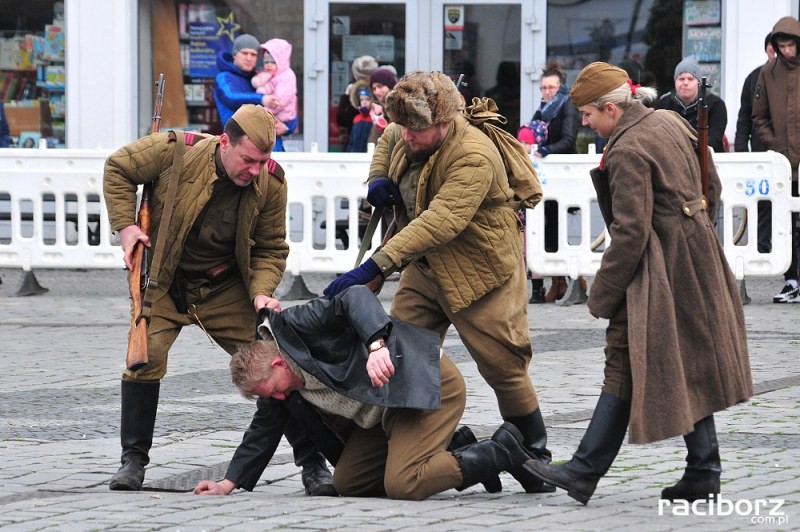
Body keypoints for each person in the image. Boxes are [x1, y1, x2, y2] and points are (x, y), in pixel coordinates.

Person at [523, 62, 752, 505]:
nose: (585, 123)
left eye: (589, 114)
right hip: (694, 255)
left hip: (657, 269)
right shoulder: (667, 119)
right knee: (658, 358)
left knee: (627, 357)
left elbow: (630, 231)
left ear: (612, 108)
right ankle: (698, 470)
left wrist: (602, 294)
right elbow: (712, 184)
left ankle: (588, 471)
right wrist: (695, 225)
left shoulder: (627, 148)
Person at [323, 71, 554, 494]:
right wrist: (378, 178)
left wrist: (375, 266)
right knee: (401, 356)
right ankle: (449, 444)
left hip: (480, 271)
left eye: (418, 130)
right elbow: (389, 138)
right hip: (426, 269)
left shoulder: (473, 153)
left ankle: (534, 452)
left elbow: (441, 220)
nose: (408, 137)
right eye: (406, 127)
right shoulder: (408, 126)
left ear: (445, 123)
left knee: (503, 365)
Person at [102, 104, 335, 496]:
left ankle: (313, 465)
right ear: (225, 142)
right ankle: (133, 460)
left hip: (225, 289)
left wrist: (262, 290)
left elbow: (270, 247)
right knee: (145, 358)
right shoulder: (173, 151)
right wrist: (126, 226)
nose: (255, 170)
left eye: (263, 161)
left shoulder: (271, 184)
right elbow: (118, 168)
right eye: (248, 159)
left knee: (277, 361)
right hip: (164, 281)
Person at [194, 286, 546, 500]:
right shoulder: (281, 389)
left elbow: (354, 296)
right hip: (385, 416)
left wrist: (377, 344)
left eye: (271, 390)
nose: (277, 399)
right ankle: (459, 450)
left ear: (277, 365)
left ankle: (502, 451)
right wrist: (229, 482)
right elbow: (262, 432)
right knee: (348, 483)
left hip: (421, 384)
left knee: (404, 484)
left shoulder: (299, 326)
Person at [521, 61, 580, 304]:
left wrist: (544, 150)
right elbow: (529, 133)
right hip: (545, 177)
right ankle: (555, 281)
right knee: (544, 229)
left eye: (551, 88)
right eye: (544, 88)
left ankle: (563, 280)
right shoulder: (543, 108)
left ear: (560, 87)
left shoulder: (567, 106)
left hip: (562, 174)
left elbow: (568, 139)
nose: (547, 92)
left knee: (555, 229)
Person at [753, 17, 800, 303]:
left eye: (791, 45)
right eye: (782, 46)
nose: (787, 51)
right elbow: (758, 115)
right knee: (787, 222)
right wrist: (775, 145)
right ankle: (791, 279)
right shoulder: (768, 73)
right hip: (783, 163)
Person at [736, 33, 776, 255]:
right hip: (760, 150)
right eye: (771, 46)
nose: (775, 50)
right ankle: (762, 246)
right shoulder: (753, 78)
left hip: (789, 151)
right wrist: (742, 153)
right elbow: (744, 119)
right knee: (762, 199)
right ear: (766, 49)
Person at [213, 34, 289, 141]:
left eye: (253, 55)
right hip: (241, 145)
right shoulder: (223, 77)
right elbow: (230, 97)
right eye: (244, 53)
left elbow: (287, 107)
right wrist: (261, 99)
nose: (249, 58)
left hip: (270, 144)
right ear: (234, 54)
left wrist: (287, 127)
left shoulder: (258, 78)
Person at [654, 56, 728, 153]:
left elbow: (714, 139)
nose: (685, 83)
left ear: (699, 82)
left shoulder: (716, 105)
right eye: (681, 79)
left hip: (708, 159)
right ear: (675, 81)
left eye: (690, 79)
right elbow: (656, 136)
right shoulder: (663, 104)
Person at [251, 38, 298, 152]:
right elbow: (267, 88)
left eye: (273, 62)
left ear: (281, 61)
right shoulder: (272, 75)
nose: (268, 65)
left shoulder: (286, 76)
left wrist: (263, 111)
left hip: (284, 116)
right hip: (274, 116)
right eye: (266, 62)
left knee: (273, 147)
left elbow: (280, 101)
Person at [335, 55, 378, 150]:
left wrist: (347, 96)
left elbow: (342, 119)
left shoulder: (376, 92)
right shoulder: (357, 92)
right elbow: (342, 119)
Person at [366, 66, 398, 145]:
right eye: (374, 88)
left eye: (380, 86)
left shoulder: (399, 107)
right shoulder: (373, 108)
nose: (376, 92)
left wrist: (381, 113)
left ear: (390, 86)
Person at [346, 88, 374, 153]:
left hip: (368, 155)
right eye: (361, 100)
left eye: (367, 99)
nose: (364, 102)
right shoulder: (356, 118)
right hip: (354, 155)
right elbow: (352, 140)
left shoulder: (374, 118)